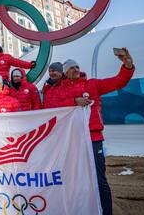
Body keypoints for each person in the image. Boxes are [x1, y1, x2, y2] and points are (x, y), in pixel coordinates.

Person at [57, 48, 135, 215]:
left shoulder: (92, 84)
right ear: (65, 72)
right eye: (71, 68)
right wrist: (73, 101)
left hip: (93, 137)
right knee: (75, 177)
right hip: (72, 139)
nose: (75, 70)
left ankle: (106, 212)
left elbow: (118, 81)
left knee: (100, 179)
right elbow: (52, 107)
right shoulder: (60, 90)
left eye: (77, 67)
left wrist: (127, 66)